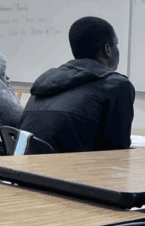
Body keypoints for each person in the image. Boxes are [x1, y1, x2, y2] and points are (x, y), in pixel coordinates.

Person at [18, 17, 134, 153]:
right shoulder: (117, 86)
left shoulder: (46, 80)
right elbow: (117, 153)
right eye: (117, 44)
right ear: (108, 49)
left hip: (25, 169)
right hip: (68, 171)